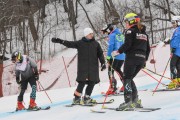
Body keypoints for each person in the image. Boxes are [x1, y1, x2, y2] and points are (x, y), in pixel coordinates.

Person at [51, 27, 106, 105]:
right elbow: (69, 44)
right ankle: (76, 98)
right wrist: (60, 41)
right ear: (86, 35)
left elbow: (100, 54)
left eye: (92, 34)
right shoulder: (80, 43)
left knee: (92, 82)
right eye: (90, 34)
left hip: (93, 67)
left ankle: (87, 97)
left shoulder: (96, 44)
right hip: (83, 67)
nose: (92, 35)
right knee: (82, 82)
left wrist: (103, 63)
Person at [111, 13, 150, 110]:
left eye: (126, 22)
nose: (126, 24)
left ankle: (128, 102)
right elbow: (148, 49)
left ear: (132, 21)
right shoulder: (144, 34)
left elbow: (127, 44)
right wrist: (144, 60)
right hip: (141, 59)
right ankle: (135, 101)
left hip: (132, 57)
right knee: (129, 78)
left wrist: (117, 52)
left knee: (126, 78)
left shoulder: (130, 31)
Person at [102, 24, 125, 95]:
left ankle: (112, 88)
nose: (105, 34)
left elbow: (111, 46)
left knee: (110, 71)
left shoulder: (112, 35)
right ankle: (126, 85)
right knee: (117, 69)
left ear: (109, 30)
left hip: (115, 56)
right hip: (122, 56)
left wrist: (108, 56)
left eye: (105, 32)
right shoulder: (120, 35)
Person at [166, 16, 180, 89]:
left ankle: (174, 82)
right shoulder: (177, 29)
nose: (173, 24)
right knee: (178, 66)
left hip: (177, 51)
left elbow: (177, 39)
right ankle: (178, 81)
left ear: (178, 22)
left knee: (172, 66)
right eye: (172, 23)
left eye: (174, 23)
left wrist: (173, 47)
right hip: (178, 50)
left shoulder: (177, 30)